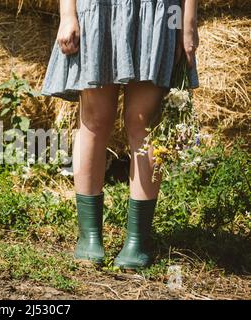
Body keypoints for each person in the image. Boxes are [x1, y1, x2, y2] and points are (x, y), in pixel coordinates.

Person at [41, 0, 199, 269]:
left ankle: (137, 241)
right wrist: (68, 14)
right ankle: (89, 237)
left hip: (156, 11)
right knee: (95, 119)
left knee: (142, 123)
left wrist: (188, 24)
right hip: (97, 9)